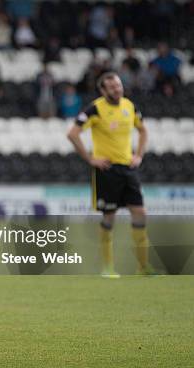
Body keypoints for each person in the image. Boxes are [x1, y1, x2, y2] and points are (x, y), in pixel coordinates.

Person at [67, 72, 154, 278]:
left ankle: (143, 267)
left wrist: (139, 155)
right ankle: (108, 268)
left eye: (119, 85)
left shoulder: (129, 106)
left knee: (140, 213)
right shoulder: (95, 108)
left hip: (128, 169)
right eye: (113, 87)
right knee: (109, 218)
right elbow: (72, 133)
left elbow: (143, 130)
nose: (118, 89)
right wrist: (90, 159)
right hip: (107, 170)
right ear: (103, 91)